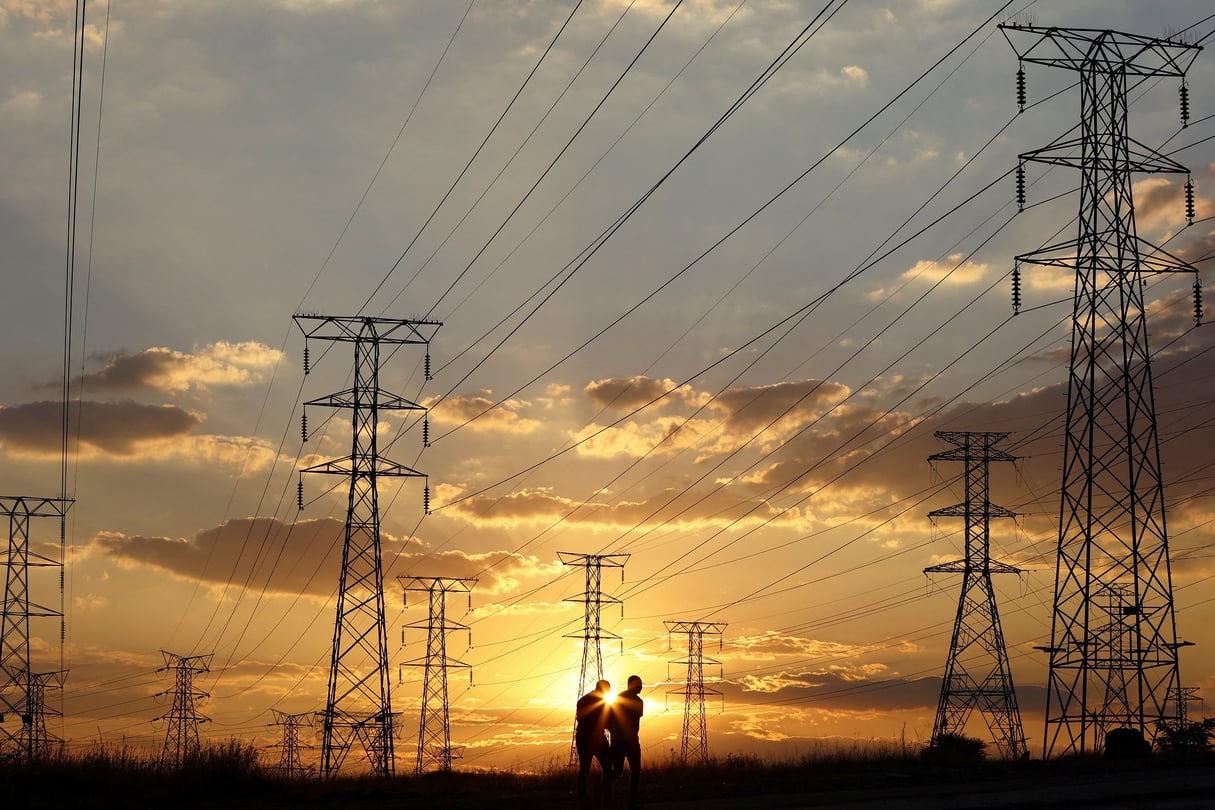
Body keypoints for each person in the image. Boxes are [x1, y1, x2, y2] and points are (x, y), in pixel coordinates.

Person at [575, 679, 613, 805]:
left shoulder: (583, 700)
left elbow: (579, 718)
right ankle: (604, 798)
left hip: (583, 737)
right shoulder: (604, 703)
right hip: (596, 738)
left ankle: (583, 800)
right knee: (607, 767)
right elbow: (607, 722)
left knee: (584, 770)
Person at [608, 675, 644, 808]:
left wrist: (613, 731)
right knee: (635, 772)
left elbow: (608, 717)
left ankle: (601, 791)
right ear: (634, 685)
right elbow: (635, 722)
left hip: (617, 740)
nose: (641, 687)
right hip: (631, 741)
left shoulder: (616, 699)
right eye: (640, 685)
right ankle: (632, 803)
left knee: (617, 771)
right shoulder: (638, 701)